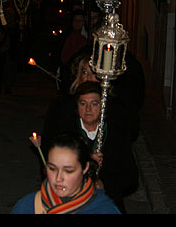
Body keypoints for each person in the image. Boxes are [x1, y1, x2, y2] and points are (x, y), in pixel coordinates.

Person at [41, 81, 138, 213]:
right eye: (83, 104)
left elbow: (130, 176)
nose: (88, 109)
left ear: (102, 107)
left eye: (94, 104)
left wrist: (105, 185)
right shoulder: (66, 134)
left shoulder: (116, 135)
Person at [11, 132, 120, 214]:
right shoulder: (27, 206)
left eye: (68, 171)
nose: (58, 178)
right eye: (52, 168)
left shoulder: (104, 209)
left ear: (85, 168)